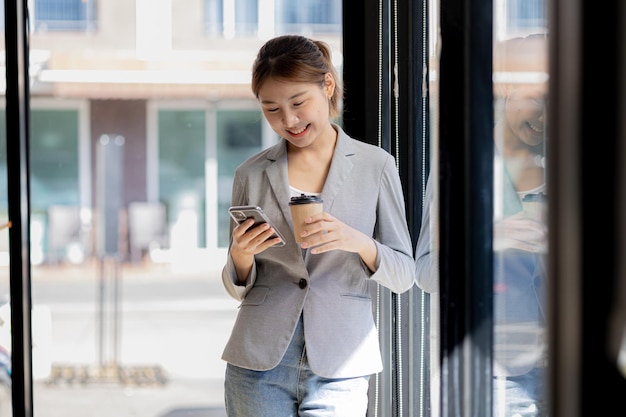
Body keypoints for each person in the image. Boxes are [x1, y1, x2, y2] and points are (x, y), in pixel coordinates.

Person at [220, 34, 415, 417]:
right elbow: (238, 285)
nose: (288, 121)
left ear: (327, 86)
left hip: (342, 362)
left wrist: (356, 241)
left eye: (298, 103)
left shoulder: (375, 166)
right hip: (258, 362)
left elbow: (404, 275)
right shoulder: (251, 173)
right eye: (271, 109)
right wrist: (240, 256)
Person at [414, 35, 548, 417]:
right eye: (536, 99)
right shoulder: (462, 168)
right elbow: (424, 272)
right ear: (506, 88)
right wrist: (482, 240)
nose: (544, 117)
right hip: (497, 374)